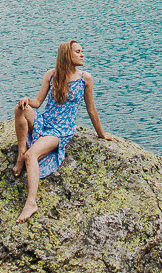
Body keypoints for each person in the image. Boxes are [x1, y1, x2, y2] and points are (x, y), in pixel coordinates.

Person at [11, 39, 114, 223]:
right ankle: (20, 154)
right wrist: (26, 100)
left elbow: (91, 109)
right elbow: (37, 102)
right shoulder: (52, 74)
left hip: (60, 130)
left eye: (82, 51)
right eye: (78, 52)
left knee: (32, 156)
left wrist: (101, 134)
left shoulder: (85, 78)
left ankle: (31, 203)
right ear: (67, 55)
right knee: (19, 108)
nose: (82, 55)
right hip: (45, 120)